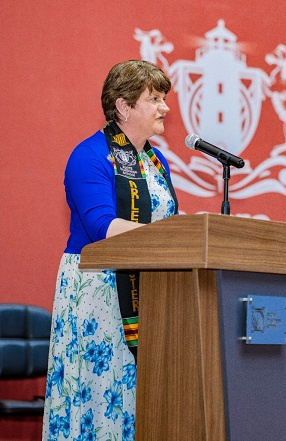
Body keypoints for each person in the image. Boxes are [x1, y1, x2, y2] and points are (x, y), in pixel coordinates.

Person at [43, 60, 178, 441]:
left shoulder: (154, 160)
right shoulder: (89, 156)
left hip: (147, 292)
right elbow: (104, 228)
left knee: (137, 398)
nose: (164, 107)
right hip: (98, 296)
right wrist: (172, 240)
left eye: (163, 98)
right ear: (123, 106)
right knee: (99, 397)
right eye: (154, 98)